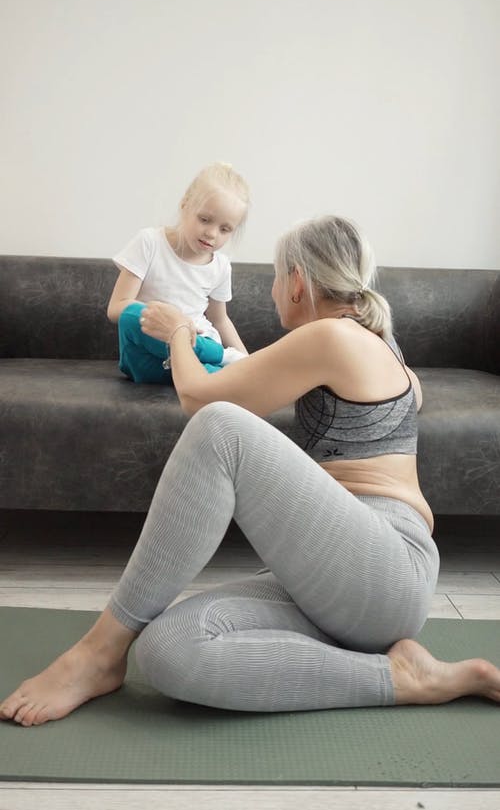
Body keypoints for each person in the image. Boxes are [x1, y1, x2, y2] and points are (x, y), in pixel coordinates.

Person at [2, 215, 500, 727]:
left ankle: (98, 651)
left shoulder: (332, 336)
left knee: (221, 428)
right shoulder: (379, 346)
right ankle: (400, 677)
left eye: (277, 277)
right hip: (340, 579)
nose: (272, 289)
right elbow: (406, 394)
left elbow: (199, 399)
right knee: (167, 650)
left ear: (300, 281)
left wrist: (178, 332)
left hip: (386, 571)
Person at [107, 162, 250, 383]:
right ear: (185, 205)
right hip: (148, 351)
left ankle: (218, 373)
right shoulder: (149, 242)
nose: (212, 233)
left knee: (208, 373)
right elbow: (117, 307)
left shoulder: (220, 266)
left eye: (225, 229)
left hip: (196, 349)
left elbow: (220, 320)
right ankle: (219, 363)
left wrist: (248, 362)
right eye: (205, 219)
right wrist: (175, 323)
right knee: (129, 316)